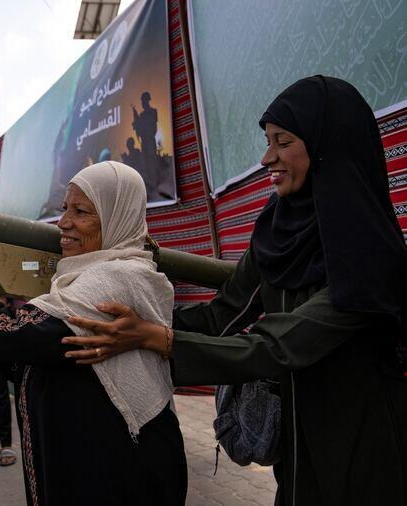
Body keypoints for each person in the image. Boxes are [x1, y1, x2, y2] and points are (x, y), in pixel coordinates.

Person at [65, 76, 407, 505]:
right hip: (297, 452)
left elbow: (276, 347)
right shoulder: (280, 231)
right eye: (268, 141)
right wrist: (123, 320)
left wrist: (158, 339)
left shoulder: (369, 253)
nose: (268, 158)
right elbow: (221, 316)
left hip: (364, 447)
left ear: (326, 145)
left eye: (282, 142)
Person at [0, 162, 187, 504]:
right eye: (65, 209)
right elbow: (27, 360)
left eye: (81, 211)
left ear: (117, 216)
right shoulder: (81, 280)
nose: (64, 223)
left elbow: (21, 335)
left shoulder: (121, 278)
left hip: (121, 470)